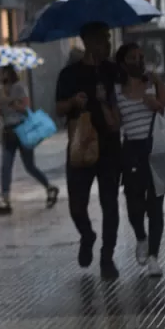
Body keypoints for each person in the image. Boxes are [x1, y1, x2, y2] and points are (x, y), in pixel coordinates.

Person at [56, 22, 123, 280]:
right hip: (80, 147)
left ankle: (107, 256)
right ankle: (87, 235)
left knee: (110, 203)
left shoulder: (112, 71)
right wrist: (74, 102)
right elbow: (58, 108)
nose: (106, 44)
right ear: (87, 42)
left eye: (108, 38)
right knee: (76, 206)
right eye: (102, 39)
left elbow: (126, 97)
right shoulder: (69, 74)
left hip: (109, 147)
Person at [114, 42, 165, 278]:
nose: (138, 61)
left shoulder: (153, 84)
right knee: (133, 203)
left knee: (156, 204)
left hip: (155, 147)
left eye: (140, 57)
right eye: (132, 58)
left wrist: (158, 103)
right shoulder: (117, 91)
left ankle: (153, 258)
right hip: (131, 150)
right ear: (122, 63)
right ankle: (141, 237)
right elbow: (116, 123)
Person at [0, 65, 58, 215]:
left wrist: (9, 101)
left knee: (29, 166)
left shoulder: (19, 87)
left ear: (7, 73)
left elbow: (25, 107)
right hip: (8, 132)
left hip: (22, 130)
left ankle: (49, 187)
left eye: (0, 73)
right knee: (5, 167)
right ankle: (5, 201)